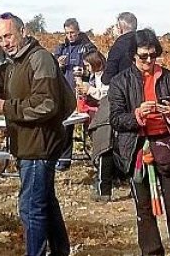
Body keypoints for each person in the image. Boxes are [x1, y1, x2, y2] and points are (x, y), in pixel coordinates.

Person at [0, 12, 71, 256]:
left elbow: (47, 103)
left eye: (8, 35)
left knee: (30, 208)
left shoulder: (39, 59)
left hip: (39, 145)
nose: (5, 42)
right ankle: (60, 251)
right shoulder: (13, 62)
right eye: (0, 38)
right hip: (26, 144)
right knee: (45, 203)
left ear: (23, 31)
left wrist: (6, 107)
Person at [108, 29, 170, 256]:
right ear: (133, 57)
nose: (149, 60)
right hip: (137, 149)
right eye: (143, 56)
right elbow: (116, 119)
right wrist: (138, 114)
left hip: (167, 146)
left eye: (152, 55)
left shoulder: (168, 78)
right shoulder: (120, 82)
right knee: (144, 208)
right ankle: (152, 252)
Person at [54, 18, 96, 171]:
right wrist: (59, 64)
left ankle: (95, 158)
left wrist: (83, 73)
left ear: (78, 31)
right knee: (65, 126)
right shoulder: (61, 48)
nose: (70, 36)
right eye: (67, 33)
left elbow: (95, 66)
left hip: (82, 93)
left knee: (88, 126)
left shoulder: (87, 47)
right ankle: (64, 160)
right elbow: (52, 69)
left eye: (72, 32)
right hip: (64, 91)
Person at [81, 50, 118, 200]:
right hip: (101, 113)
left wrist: (89, 90)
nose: (87, 68)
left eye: (88, 65)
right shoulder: (93, 76)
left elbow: (105, 94)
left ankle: (104, 188)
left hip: (107, 116)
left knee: (105, 148)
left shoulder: (107, 76)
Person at [101, 11, 139, 86]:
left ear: (120, 29)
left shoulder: (118, 47)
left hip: (125, 89)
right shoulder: (144, 42)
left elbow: (108, 77)